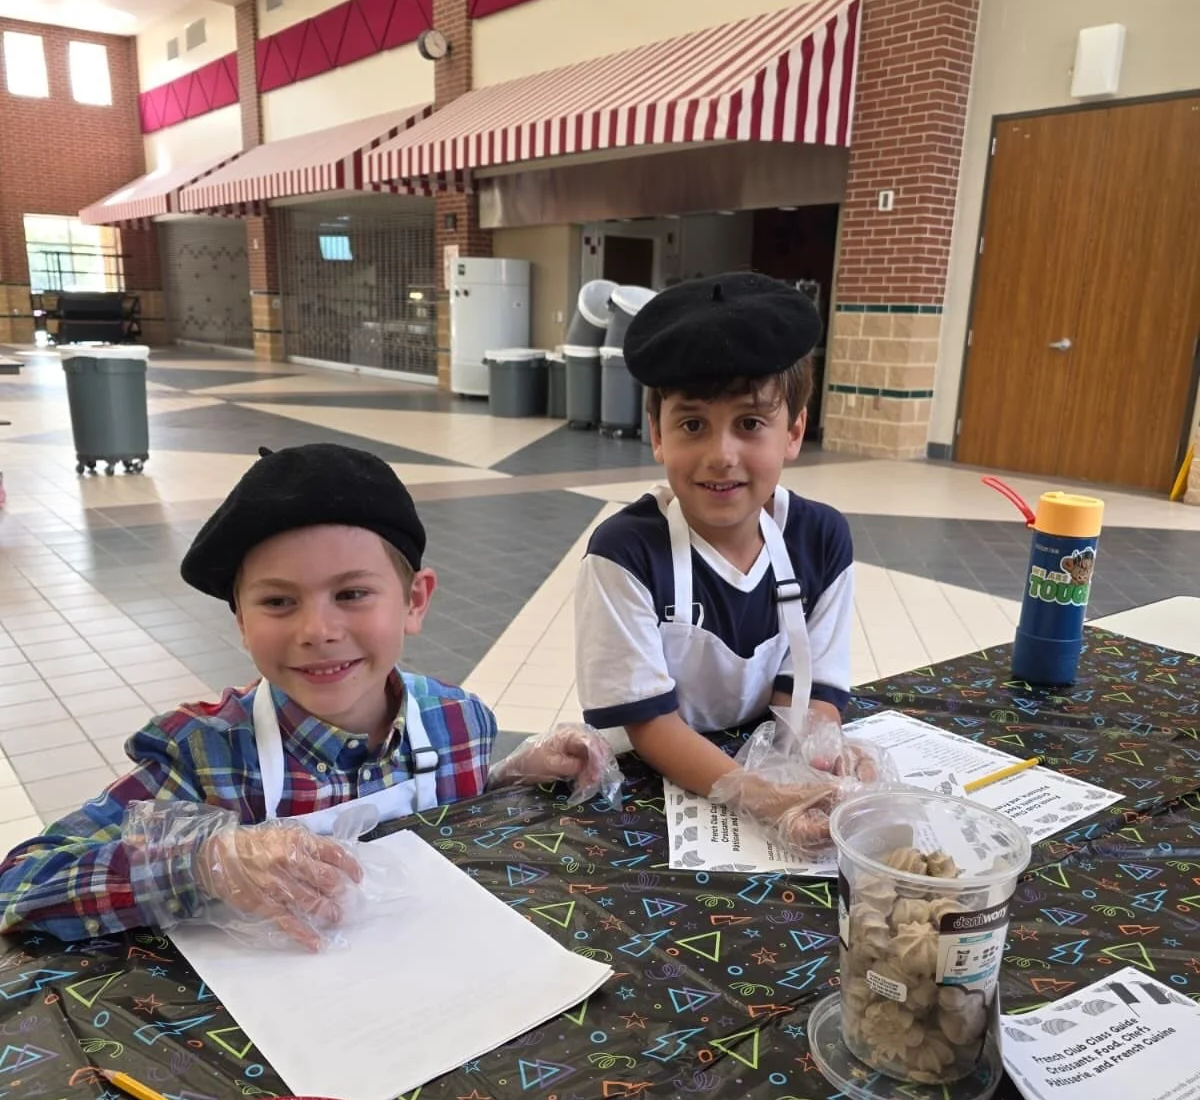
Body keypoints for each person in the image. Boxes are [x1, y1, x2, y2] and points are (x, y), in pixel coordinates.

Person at [0, 443, 610, 946]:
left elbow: (451, 819)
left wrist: (513, 775)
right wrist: (203, 862)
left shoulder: (458, 722)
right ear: (241, 619)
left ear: (415, 601)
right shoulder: (204, 755)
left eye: (351, 594)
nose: (317, 630)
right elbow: (18, 885)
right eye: (278, 601)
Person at [574, 272, 855, 828]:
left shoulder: (821, 539)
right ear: (657, 433)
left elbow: (811, 692)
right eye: (693, 424)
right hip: (645, 785)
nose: (721, 454)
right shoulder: (624, 553)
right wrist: (757, 795)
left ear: (794, 432)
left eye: (750, 423)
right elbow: (649, 722)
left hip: (760, 764)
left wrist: (816, 762)